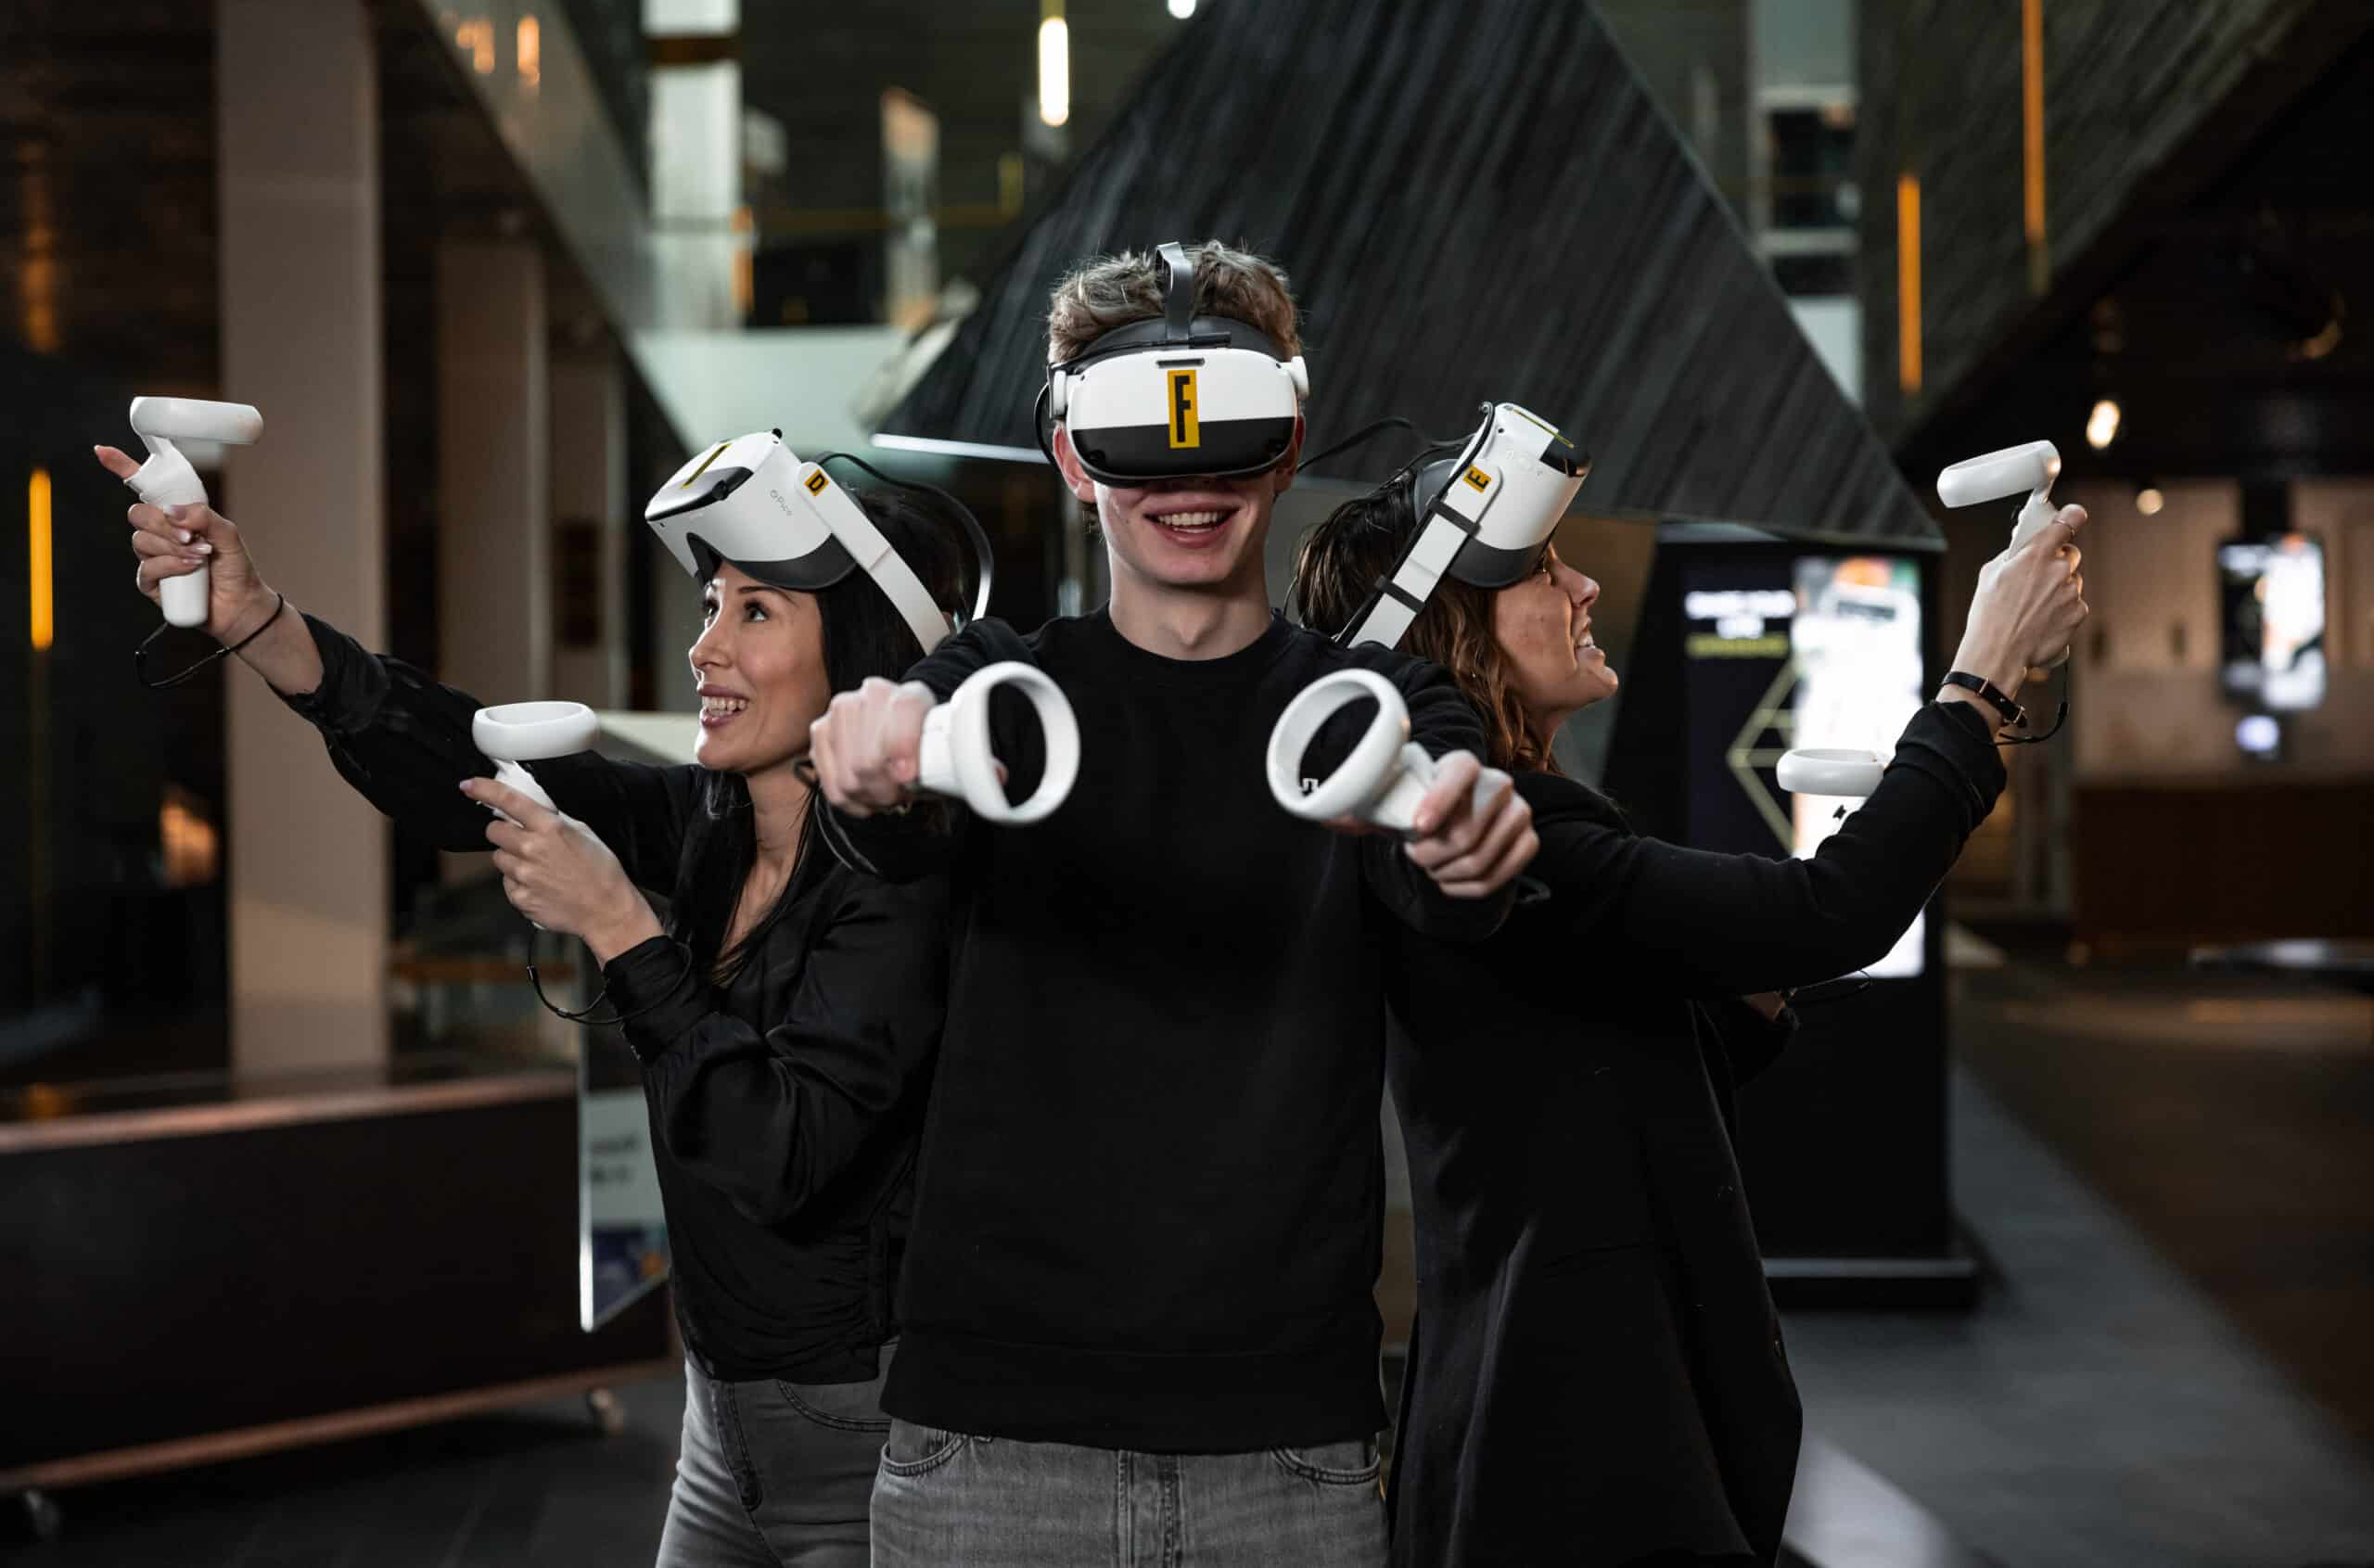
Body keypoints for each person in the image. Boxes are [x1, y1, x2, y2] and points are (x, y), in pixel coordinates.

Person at [801, 241, 1538, 1567]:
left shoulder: (1370, 708)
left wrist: (1469, 840)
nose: (1189, 488)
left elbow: (1454, 852)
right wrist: (869, 765)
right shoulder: (992, 688)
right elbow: (893, 823)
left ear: (1287, 439)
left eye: (1229, 443)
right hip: (986, 1448)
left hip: (1289, 1453)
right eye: (1142, 447)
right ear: (1074, 457)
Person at [102, 440, 966, 1568]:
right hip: (718, 1424)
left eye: (756, 613)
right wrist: (262, 621)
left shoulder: (902, 886)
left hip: (863, 1445)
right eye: (711, 603)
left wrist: (618, 926)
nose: (704, 646)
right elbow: (467, 772)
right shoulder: (707, 825)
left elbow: (778, 1154)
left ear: (856, 655)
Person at [1291, 473, 2089, 1566]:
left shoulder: (1520, 831)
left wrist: (1744, 979)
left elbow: (1586, 1056)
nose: (1583, 583)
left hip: (1570, 1402)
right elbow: (1835, 910)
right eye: (1537, 568)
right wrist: (1984, 672)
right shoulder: (1504, 838)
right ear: (1449, 629)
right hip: (1578, 1429)